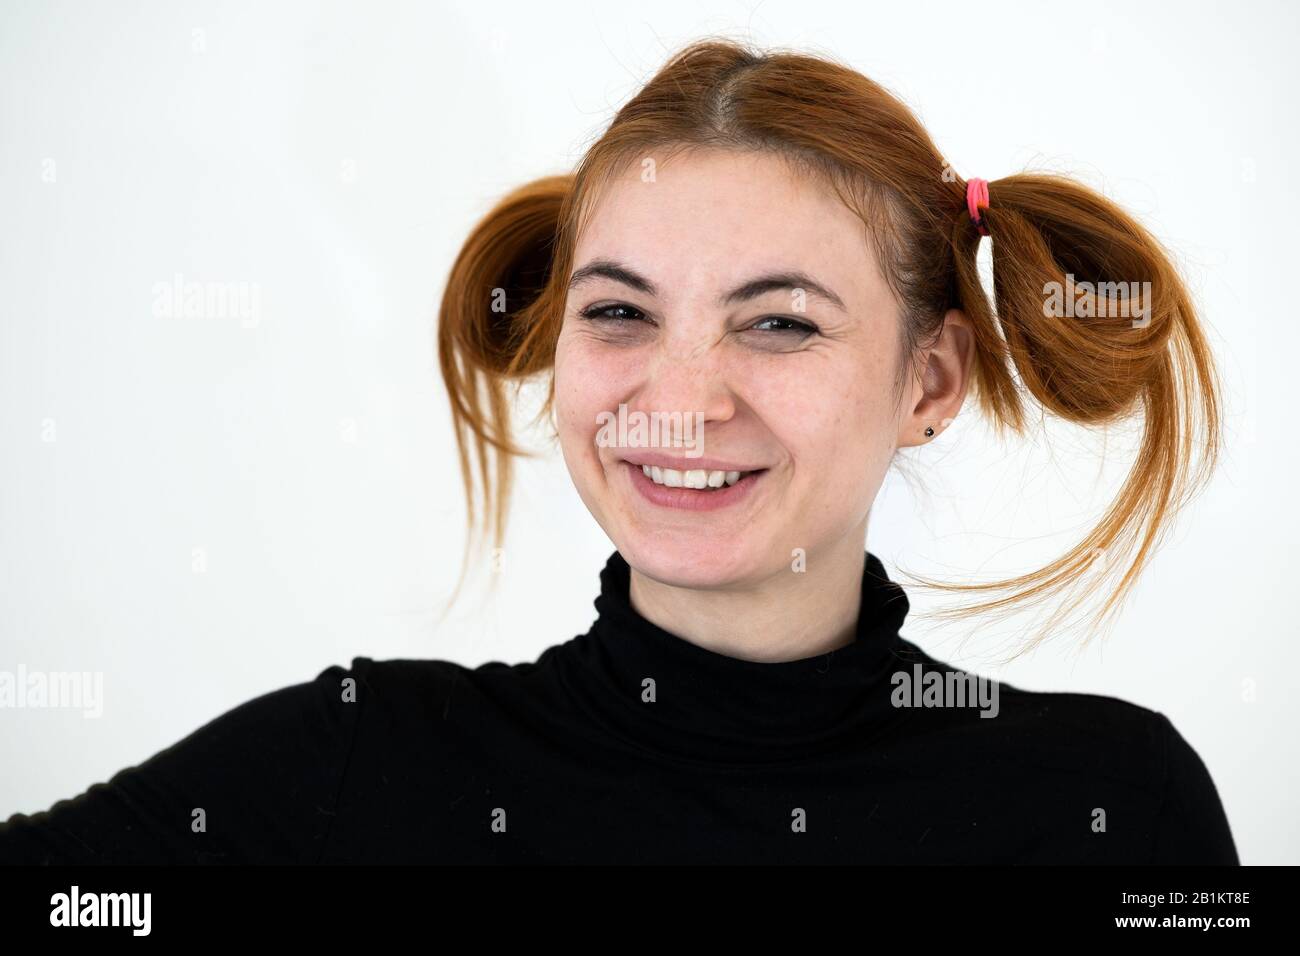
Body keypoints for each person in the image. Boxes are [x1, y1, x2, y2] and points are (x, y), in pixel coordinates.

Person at [0, 38, 1237, 864]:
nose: (679, 402)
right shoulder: (351, 764)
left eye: (778, 322)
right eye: (619, 312)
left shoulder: (1108, 805)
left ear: (931, 380)